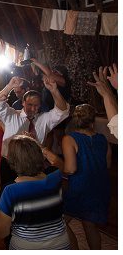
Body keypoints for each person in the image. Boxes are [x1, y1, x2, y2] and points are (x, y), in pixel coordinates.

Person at [0, 136, 71, 249]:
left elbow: (2, 232)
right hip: (61, 246)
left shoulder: (10, 190)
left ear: (12, 161)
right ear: (39, 155)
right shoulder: (55, 176)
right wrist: (40, 147)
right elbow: (60, 163)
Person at [0, 75, 69, 187]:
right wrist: (10, 86)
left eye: (36, 105)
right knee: (9, 194)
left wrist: (54, 90)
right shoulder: (12, 115)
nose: (33, 109)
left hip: (35, 166)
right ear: (23, 102)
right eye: (30, 105)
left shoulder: (44, 119)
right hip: (10, 165)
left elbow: (62, 111)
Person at [61, 104, 111, 250]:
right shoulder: (103, 139)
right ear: (92, 121)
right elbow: (107, 165)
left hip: (81, 187)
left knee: (60, 222)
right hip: (100, 186)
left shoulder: (69, 139)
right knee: (90, 225)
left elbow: (70, 169)